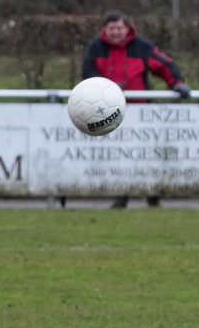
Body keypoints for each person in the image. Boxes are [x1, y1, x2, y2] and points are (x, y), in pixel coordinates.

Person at [81, 10, 190, 208]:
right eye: (111, 28)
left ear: (127, 28)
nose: (115, 32)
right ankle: (122, 195)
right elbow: (88, 73)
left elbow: (165, 65)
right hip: (107, 112)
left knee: (146, 155)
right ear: (105, 29)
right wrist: (109, 87)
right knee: (118, 156)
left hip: (141, 112)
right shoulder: (95, 48)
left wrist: (177, 84)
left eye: (119, 28)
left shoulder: (142, 47)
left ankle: (152, 195)